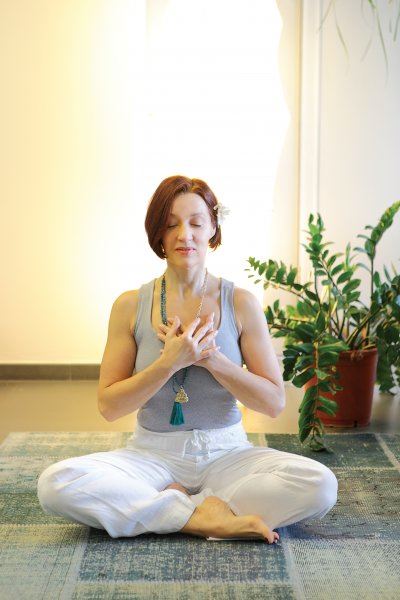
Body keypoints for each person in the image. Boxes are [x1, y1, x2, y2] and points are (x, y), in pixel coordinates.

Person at [37, 175, 338, 543]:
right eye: (171, 224)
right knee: (55, 484)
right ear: (158, 235)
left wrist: (213, 360)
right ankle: (207, 517)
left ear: (213, 229)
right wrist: (169, 363)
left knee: (321, 485)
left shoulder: (241, 303)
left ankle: (174, 508)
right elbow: (109, 407)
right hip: (152, 455)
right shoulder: (130, 305)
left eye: (196, 223)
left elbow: (273, 403)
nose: (185, 235)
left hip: (228, 454)